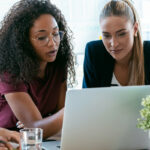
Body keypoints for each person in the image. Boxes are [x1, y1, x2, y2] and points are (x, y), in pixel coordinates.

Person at [0, 0, 75, 139]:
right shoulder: (9, 71)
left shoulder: (57, 65)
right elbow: (35, 130)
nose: (53, 43)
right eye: (42, 37)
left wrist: (51, 121)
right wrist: (74, 109)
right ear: (23, 42)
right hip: (11, 143)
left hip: (47, 142)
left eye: (56, 33)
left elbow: (61, 122)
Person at [83, 0, 150, 88]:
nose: (114, 44)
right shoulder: (94, 53)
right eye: (106, 35)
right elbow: (87, 99)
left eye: (121, 34)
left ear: (135, 29)